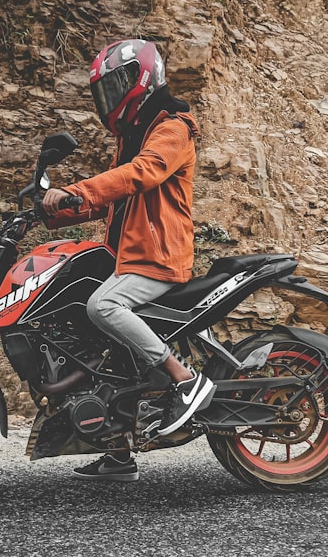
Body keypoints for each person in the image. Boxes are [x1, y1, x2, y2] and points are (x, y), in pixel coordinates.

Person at [42, 39, 215, 482]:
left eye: (116, 84)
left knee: (103, 307)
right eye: (105, 89)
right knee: (100, 339)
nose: (111, 97)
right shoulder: (136, 133)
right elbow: (112, 202)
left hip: (158, 258)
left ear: (141, 78)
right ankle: (117, 452)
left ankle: (184, 380)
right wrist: (55, 211)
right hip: (131, 256)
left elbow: (142, 174)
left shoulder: (173, 127)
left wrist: (77, 189)